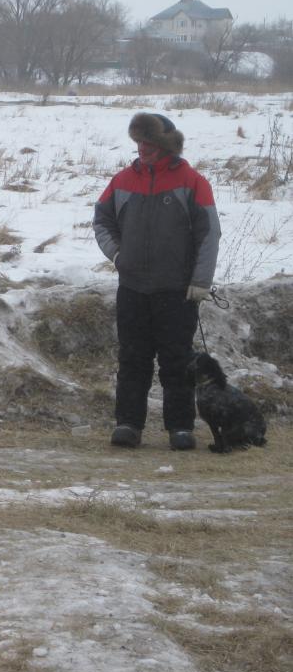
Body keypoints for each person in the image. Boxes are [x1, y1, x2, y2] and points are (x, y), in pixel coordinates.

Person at [93, 112, 220, 450]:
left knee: (176, 361)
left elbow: (209, 234)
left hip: (177, 291)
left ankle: (180, 428)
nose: (142, 149)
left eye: (148, 143)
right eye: (139, 142)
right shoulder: (122, 181)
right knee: (132, 359)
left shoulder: (192, 181)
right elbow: (101, 221)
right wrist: (118, 256)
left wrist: (200, 281)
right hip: (132, 289)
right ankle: (128, 424)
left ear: (166, 146)